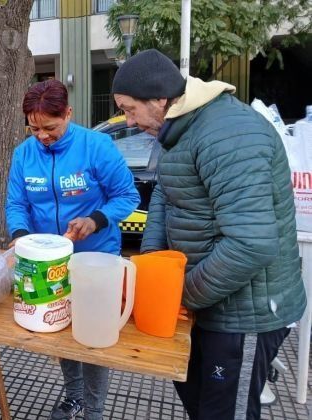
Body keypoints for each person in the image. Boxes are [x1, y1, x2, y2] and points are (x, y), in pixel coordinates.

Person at [112, 49, 307, 420]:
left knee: (225, 412)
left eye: (130, 109)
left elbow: (251, 243)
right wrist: (153, 270)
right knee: (199, 398)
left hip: (245, 315)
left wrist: (180, 294)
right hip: (210, 303)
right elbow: (165, 201)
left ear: (159, 99)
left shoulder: (229, 134)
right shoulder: (178, 129)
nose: (129, 121)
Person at [6, 79, 140, 420]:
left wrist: (96, 219)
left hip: (95, 259)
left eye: (50, 127)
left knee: (93, 338)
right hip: (49, 262)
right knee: (60, 328)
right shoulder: (24, 154)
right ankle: (75, 396)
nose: (42, 136)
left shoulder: (97, 147)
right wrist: (21, 235)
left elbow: (127, 196)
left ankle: (94, 410)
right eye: (34, 128)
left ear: (68, 113)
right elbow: (17, 204)